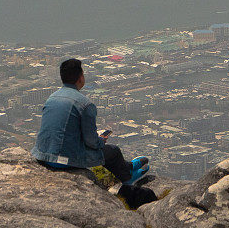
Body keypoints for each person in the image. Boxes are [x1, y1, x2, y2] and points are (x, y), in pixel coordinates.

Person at [31, 58, 156, 208]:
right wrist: (100, 141)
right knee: (113, 151)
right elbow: (91, 141)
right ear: (80, 77)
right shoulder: (85, 104)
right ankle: (129, 179)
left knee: (107, 151)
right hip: (65, 160)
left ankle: (129, 166)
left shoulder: (51, 98)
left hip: (43, 155)